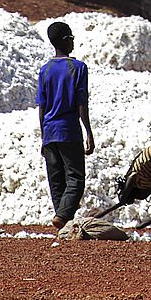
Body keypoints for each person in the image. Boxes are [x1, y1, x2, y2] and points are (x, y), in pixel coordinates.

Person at [36, 21, 95, 229]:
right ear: (65, 40)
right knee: (76, 178)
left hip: (50, 131)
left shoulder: (45, 70)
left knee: (56, 179)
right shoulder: (78, 68)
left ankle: (61, 220)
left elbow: (41, 107)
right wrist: (88, 132)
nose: (73, 43)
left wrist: (43, 136)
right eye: (71, 38)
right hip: (69, 130)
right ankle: (62, 216)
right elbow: (81, 103)